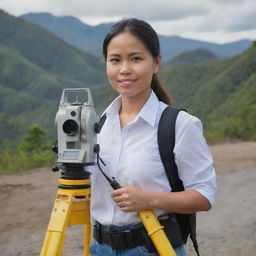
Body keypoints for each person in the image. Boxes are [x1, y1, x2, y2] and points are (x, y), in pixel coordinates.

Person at [89, 18, 216, 256]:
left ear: (155, 63)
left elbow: (204, 196)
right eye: (115, 60)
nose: (124, 69)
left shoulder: (179, 125)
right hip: (100, 248)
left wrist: (148, 199)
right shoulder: (99, 125)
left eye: (136, 59)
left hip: (154, 247)